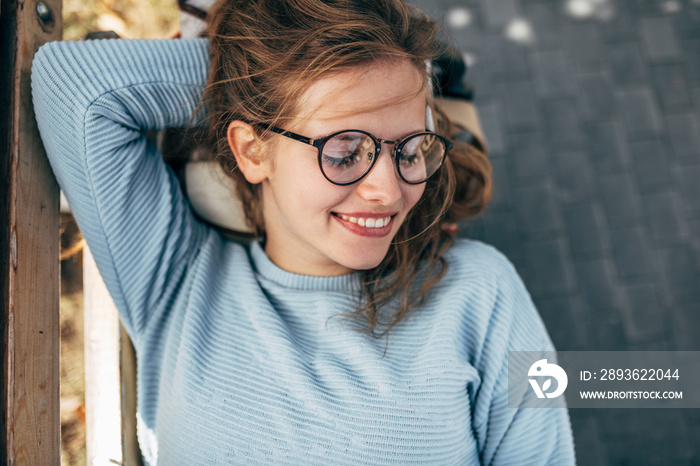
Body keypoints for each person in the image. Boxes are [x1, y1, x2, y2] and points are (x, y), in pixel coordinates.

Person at [32, 0, 576, 464]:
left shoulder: (481, 291)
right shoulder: (179, 280)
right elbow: (75, 85)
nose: (388, 191)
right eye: (344, 151)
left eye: (411, 148)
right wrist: (270, 74)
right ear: (252, 149)